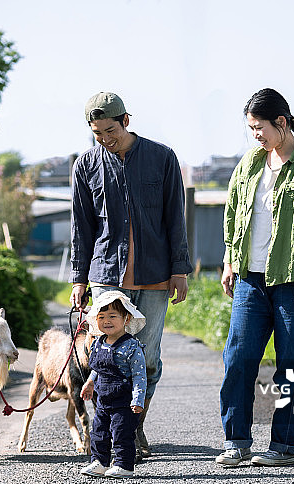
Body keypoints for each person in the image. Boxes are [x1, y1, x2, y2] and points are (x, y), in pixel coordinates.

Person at [70, 91, 193, 461]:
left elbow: (175, 217)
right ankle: (105, 435)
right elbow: (82, 226)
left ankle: (134, 425)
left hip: (155, 277)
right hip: (106, 274)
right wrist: (79, 278)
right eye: (97, 134)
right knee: (104, 357)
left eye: (110, 130)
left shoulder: (162, 157)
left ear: (126, 120)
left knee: (147, 358)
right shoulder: (86, 165)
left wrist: (179, 269)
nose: (105, 139)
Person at [216, 88, 294, 467]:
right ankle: (236, 441)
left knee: (292, 364)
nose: (256, 135)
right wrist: (229, 260)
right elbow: (233, 210)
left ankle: (284, 446)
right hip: (250, 279)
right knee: (238, 358)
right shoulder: (250, 163)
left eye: (260, 127)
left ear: (281, 122)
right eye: (251, 128)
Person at [79, 291, 147, 478]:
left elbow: (140, 376)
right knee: (99, 431)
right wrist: (90, 382)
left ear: (127, 318)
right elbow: (98, 368)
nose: (106, 321)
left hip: (124, 402)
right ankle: (99, 462)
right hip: (103, 399)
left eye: (112, 316)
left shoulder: (131, 346)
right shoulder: (99, 343)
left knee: (121, 433)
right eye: (101, 317)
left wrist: (138, 399)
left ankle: (124, 465)